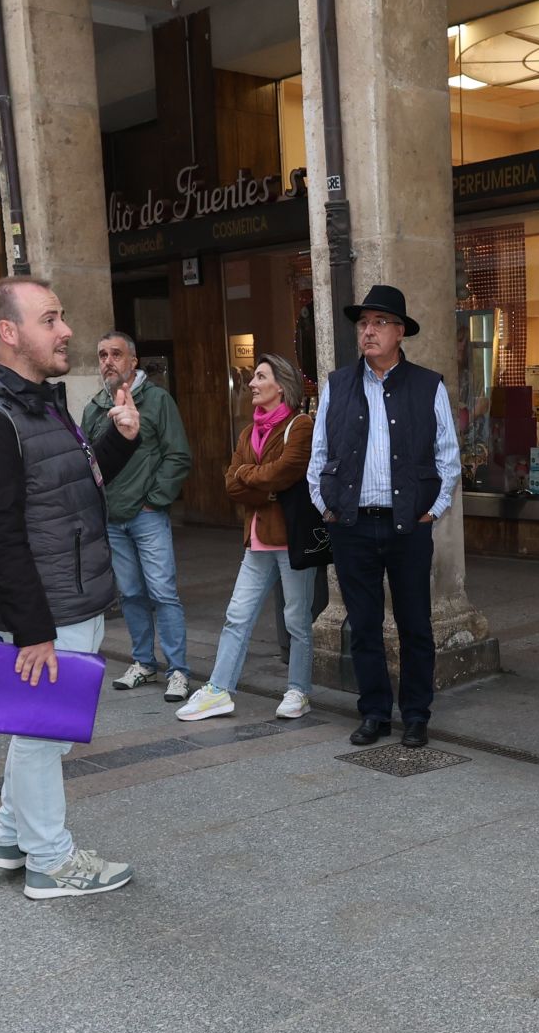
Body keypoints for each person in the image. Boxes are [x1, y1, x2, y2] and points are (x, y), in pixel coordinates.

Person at [0, 276, 141, 899]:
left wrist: (119, 440)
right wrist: (32, 631)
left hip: (70, 590)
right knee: (41, 738)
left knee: (39, 731)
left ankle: (11, 838)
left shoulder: (39, 401)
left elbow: (71, 486)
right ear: (9, 332)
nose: (67, 331)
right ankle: (51, 863)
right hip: (46, 608)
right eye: (51, 319)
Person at [306, 284, 460, 749]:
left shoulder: (428, 384)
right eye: (363, 324)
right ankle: (374, 711)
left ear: (399, 332)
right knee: (363, 625)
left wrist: (432, 511)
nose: (368, 332)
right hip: (352, 524)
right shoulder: (338, 384)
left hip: (408, 525)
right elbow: (319, 454)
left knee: (415, 624)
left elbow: (447, 455)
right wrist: (327, 507)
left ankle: (415, 714)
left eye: (378, 323)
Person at [177, 353, 316, 723]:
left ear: (281, 386)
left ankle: (298, 690)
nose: (251, 384)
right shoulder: (246, 432)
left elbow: (284, 473)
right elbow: (230, 483)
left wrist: (252, 478)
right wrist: (262, 487)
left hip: (291, 539)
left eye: (260, 377)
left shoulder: (300, 426)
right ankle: (220, 690)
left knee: (297, 620)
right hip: (256, 540)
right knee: (236, 617)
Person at [80, 332, 194, 703]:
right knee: (130, 594)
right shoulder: (95, 407)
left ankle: (178, 670)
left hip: (147, 516)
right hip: (112, 520)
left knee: (163, 593)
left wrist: (154, 501)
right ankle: (144, 662)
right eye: (102, 355)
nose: (108, 361)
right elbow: (89, 463)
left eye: (116, 354)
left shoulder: (158, 400)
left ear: (134, 361)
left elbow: (178, 455)